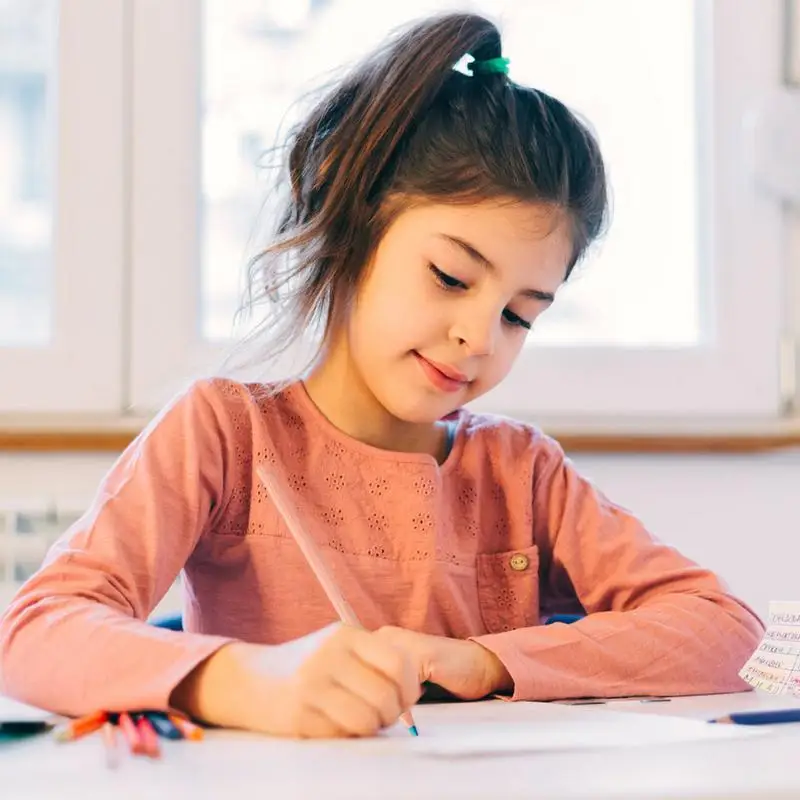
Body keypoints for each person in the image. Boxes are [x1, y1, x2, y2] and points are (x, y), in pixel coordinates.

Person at [0, 12, 762, 739]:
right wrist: (247, 681)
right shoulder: (224, 434)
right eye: (451, 277)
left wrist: (486, 661)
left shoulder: (521, 473)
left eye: (521, 316)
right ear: (352, 225)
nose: (478, 337)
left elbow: (724, 629)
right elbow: (36, 631)